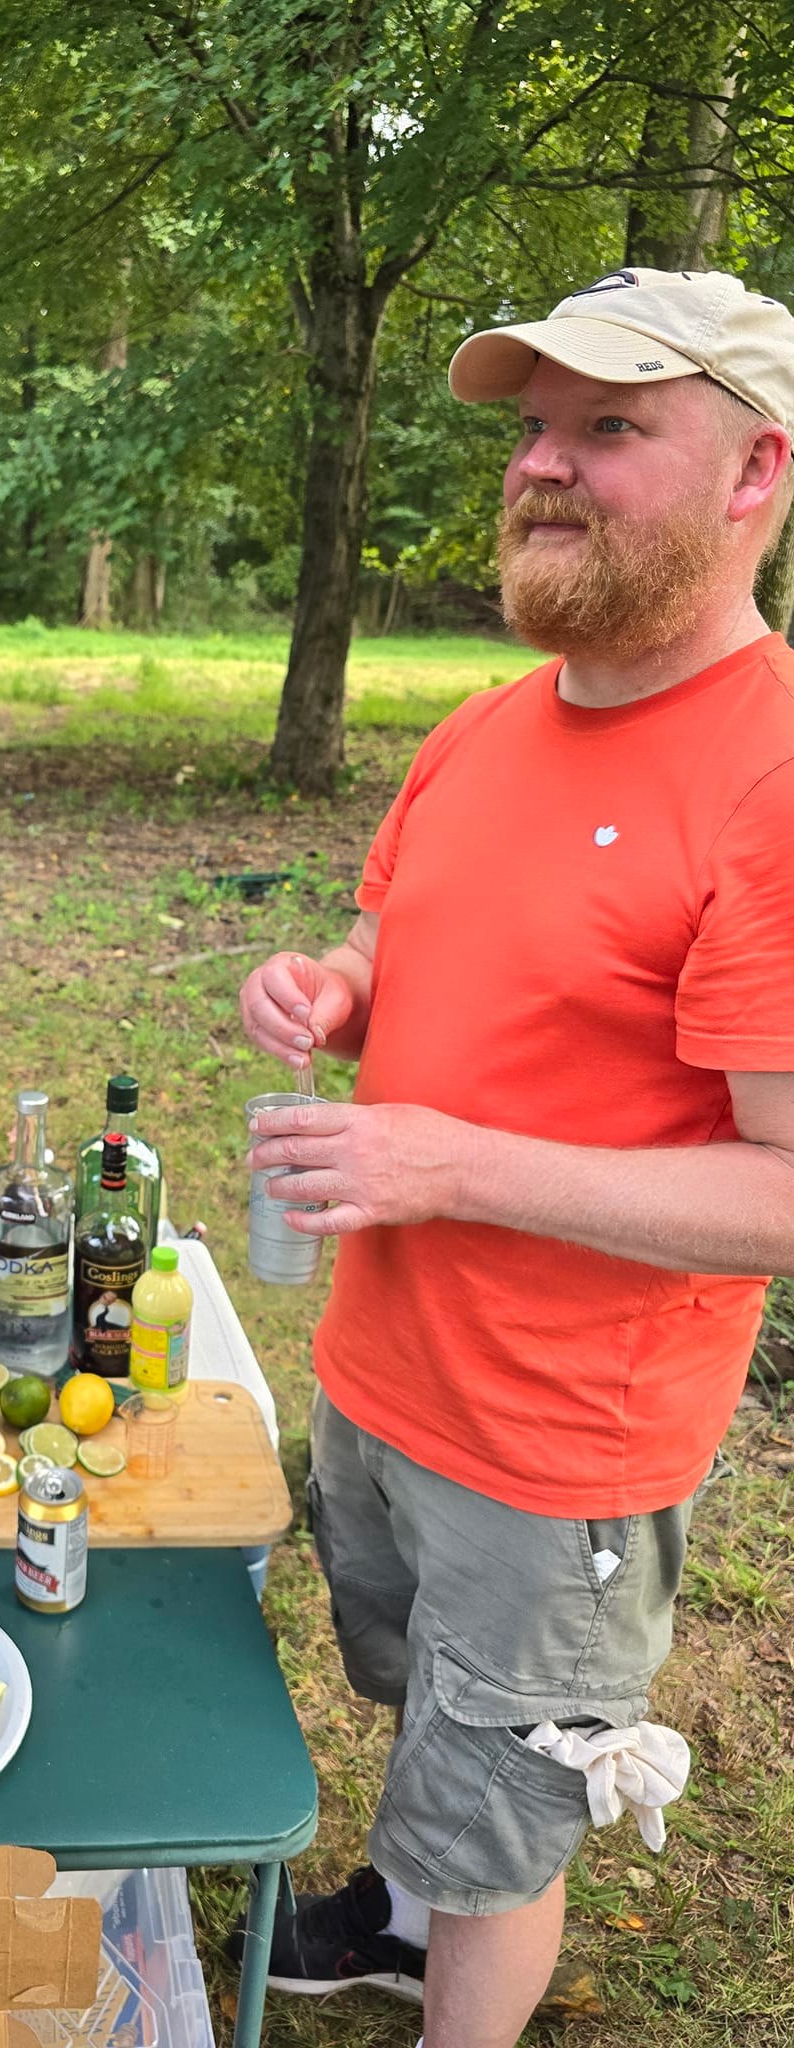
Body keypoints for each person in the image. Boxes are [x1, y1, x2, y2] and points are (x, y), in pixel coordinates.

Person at [237, 269, 794, 2048]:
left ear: (753, 470)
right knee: (420, 1707)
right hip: (386, 1374)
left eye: (611, 427)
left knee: (504, 1820)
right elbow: (399, 939)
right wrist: (332, 985)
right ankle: (405, 1913)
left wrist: (450, 1164)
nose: (540, 464)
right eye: (535, 426)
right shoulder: (490, 723)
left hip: (555, 1455)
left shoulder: (771, 775)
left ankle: (458, 1955)